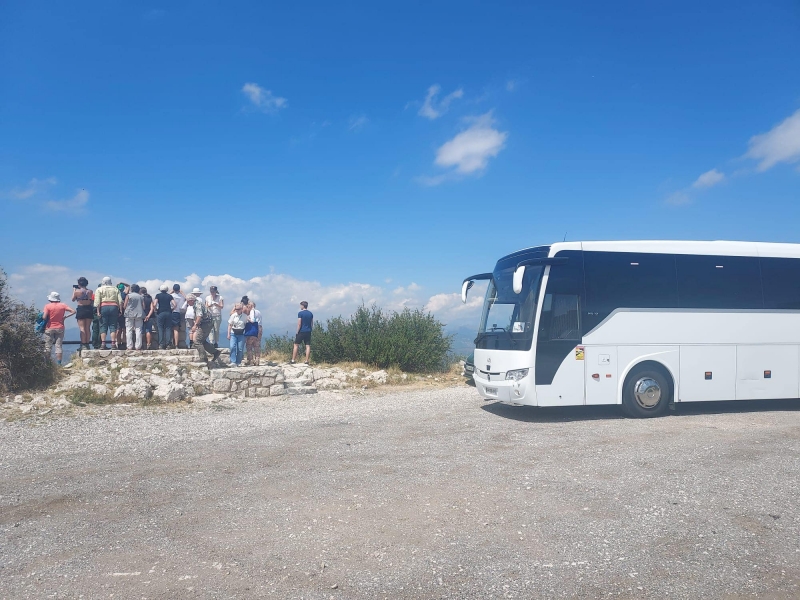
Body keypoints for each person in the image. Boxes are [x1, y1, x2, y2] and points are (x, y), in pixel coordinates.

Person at [42, 291, 75, 365]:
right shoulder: (63, 305)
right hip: (60, 327)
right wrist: (65, 317)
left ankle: (47, 363)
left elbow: (44, 317)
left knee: (47, 346)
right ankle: (59, 363)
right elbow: (73, 311)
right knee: (58, 346)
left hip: (49, 327)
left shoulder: (47, 306)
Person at [187, 294, 219, 369]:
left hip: (206, 324)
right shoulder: (197, 304)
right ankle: (215, 352)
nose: (188, 303)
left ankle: (203, 358)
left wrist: (195, 325)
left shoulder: (197, 305)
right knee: (202, 340)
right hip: (206, 323)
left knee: (197, 341)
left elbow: (199, 316)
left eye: (188, 301)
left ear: (191, 300)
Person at [93, 276, 122, 350]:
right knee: (113, 326)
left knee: (103, 326)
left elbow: (97, 302)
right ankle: (113, 344)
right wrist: (120, 310)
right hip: (114, 307)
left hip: (103, 307)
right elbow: (120, 301)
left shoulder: (99, 289)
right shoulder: (116, 289)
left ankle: (103, 344)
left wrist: (98, 311)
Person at [71, 277, 94, 352]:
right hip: (89, 309)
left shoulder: (77, 292)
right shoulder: (90, 291)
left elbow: (73, 299)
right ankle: (87, 344)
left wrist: (74, 291)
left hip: (81, 308)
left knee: (82, 328)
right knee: (88, 327)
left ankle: (83, 344)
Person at [122, 284, 145, 350]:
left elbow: (124, 306)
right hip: (139, 314)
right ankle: (138, 346)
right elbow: (144, 307)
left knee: (128, 329)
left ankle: (129, 346)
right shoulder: (141, 297)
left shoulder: (128, 296)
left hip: (129, 314)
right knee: (138, 330)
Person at [155, 284, 176, 350]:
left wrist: (156, 309)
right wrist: (172, 310)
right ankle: (168, 344)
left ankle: (161, 345)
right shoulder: (169, 296)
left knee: (160, 328)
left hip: (160, 312)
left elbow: (154, 304)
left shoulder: (158, 295)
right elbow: (175, 304)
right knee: (168, 328)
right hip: (168, 312)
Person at [244, 301, 263, 366]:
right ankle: (257, 360)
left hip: (253, 329)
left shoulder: (252, 311)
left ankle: (250, 360)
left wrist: (247, 319)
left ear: (250, 306)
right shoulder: (258, 312)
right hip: (259, 328)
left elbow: (252, 320)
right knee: (257, 345)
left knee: (249, 345)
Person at [171, 284, 187, 349]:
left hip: (171, 312)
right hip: (178, 313)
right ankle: (176, 344)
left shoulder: (171, 296)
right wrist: (182, 293)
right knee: (176, 329)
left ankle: (171, 343)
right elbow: (186, 300)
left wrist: (170, 292)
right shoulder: (181, 297)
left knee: (170, 329)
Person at [116, 283, 129, 349]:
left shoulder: (115, 294)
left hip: (117, 313)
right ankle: (124, 343)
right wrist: (122, 282)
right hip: (124, 313)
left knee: (118, 329)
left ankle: (118, 343)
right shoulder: (125, 294)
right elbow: (128, 286)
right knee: (124, 329)